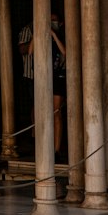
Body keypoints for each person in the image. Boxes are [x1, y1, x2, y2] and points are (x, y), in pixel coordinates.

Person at [19, 11, 67, 151]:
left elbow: (65, 52)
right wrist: (38, 33)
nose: (52, 23)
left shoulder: (62, 35)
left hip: (58, 78)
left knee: (56, 112)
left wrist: (54, 35)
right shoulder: (41, 36)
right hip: (43, 78)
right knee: (43, 112)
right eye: (50, 20)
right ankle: (44, 147)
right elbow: (30, 51)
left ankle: (56, 149)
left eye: (54, 20)